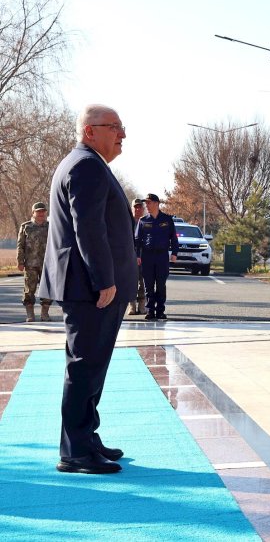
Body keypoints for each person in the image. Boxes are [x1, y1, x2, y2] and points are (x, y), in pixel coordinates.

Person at [39, 104, 137, 474]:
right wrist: (105, 280)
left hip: (89, 287)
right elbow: (88, 229)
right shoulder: (86, 166)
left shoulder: (87, 164)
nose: (122, 134)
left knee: (93, 366)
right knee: (84, 368)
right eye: (115, 127)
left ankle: (87, 437)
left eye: (122, 126)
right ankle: (75, 451)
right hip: (90, 289)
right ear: (90, 131)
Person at [136, 194, 178, 320]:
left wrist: (175, 253)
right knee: (148, 285)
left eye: (149, 203)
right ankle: (150, 311)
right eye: (146, 203)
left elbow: (174, 238)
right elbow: (137, 240)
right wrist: (137, 255)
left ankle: (160, 310)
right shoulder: (143, 220)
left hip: (162, 256)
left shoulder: (167, 219)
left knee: (161, 284)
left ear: (156, 203)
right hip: (147, 256)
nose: (146, 205)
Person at [17, 202, 52, 322]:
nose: (41, 214)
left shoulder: (51, 227)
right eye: (38, 211)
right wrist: (20, 261)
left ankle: (45, 314)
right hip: (30, 264)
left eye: (43, 211)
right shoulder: (26, 226)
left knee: (47, 289)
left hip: (47, 264)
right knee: (29, 289)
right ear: (33, 213)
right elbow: (20, 245)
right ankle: (30, 314)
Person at [128, 198, 147, 315]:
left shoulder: (146, 222)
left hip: (143, 256)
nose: (137, 209)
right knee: (131, 282)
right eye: (135, 207)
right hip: (129, 257)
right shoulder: (127, 222)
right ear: (132, 208)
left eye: (140, 207)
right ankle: (132, 305)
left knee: (142, 282)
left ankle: (142, 305)